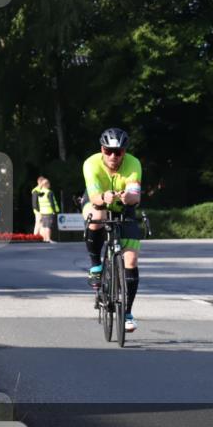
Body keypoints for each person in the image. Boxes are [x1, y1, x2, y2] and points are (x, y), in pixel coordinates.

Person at [82, 128, 143, 333]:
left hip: (124, 208)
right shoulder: (91, 164)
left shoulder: (134, 164)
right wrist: (104, 198)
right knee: (98, 215)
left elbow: (135, 196)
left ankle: (127, 312)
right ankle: (96, 266)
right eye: (109, 151)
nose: (113, 156)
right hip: (98, 202)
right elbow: (94, 198)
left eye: (118, 152)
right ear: (102, 149)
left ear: (125, 151)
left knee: (131, 261)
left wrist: (128, 198)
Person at [31, 176, 59, 242]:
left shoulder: (40, 190)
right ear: (40, 182)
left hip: (42, 210)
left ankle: (43, 238)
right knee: (39, 224)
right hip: (40, 211)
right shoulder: (37, 190)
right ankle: (36, 238)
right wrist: (37, 210)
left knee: (42, 225)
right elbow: (35, 202)